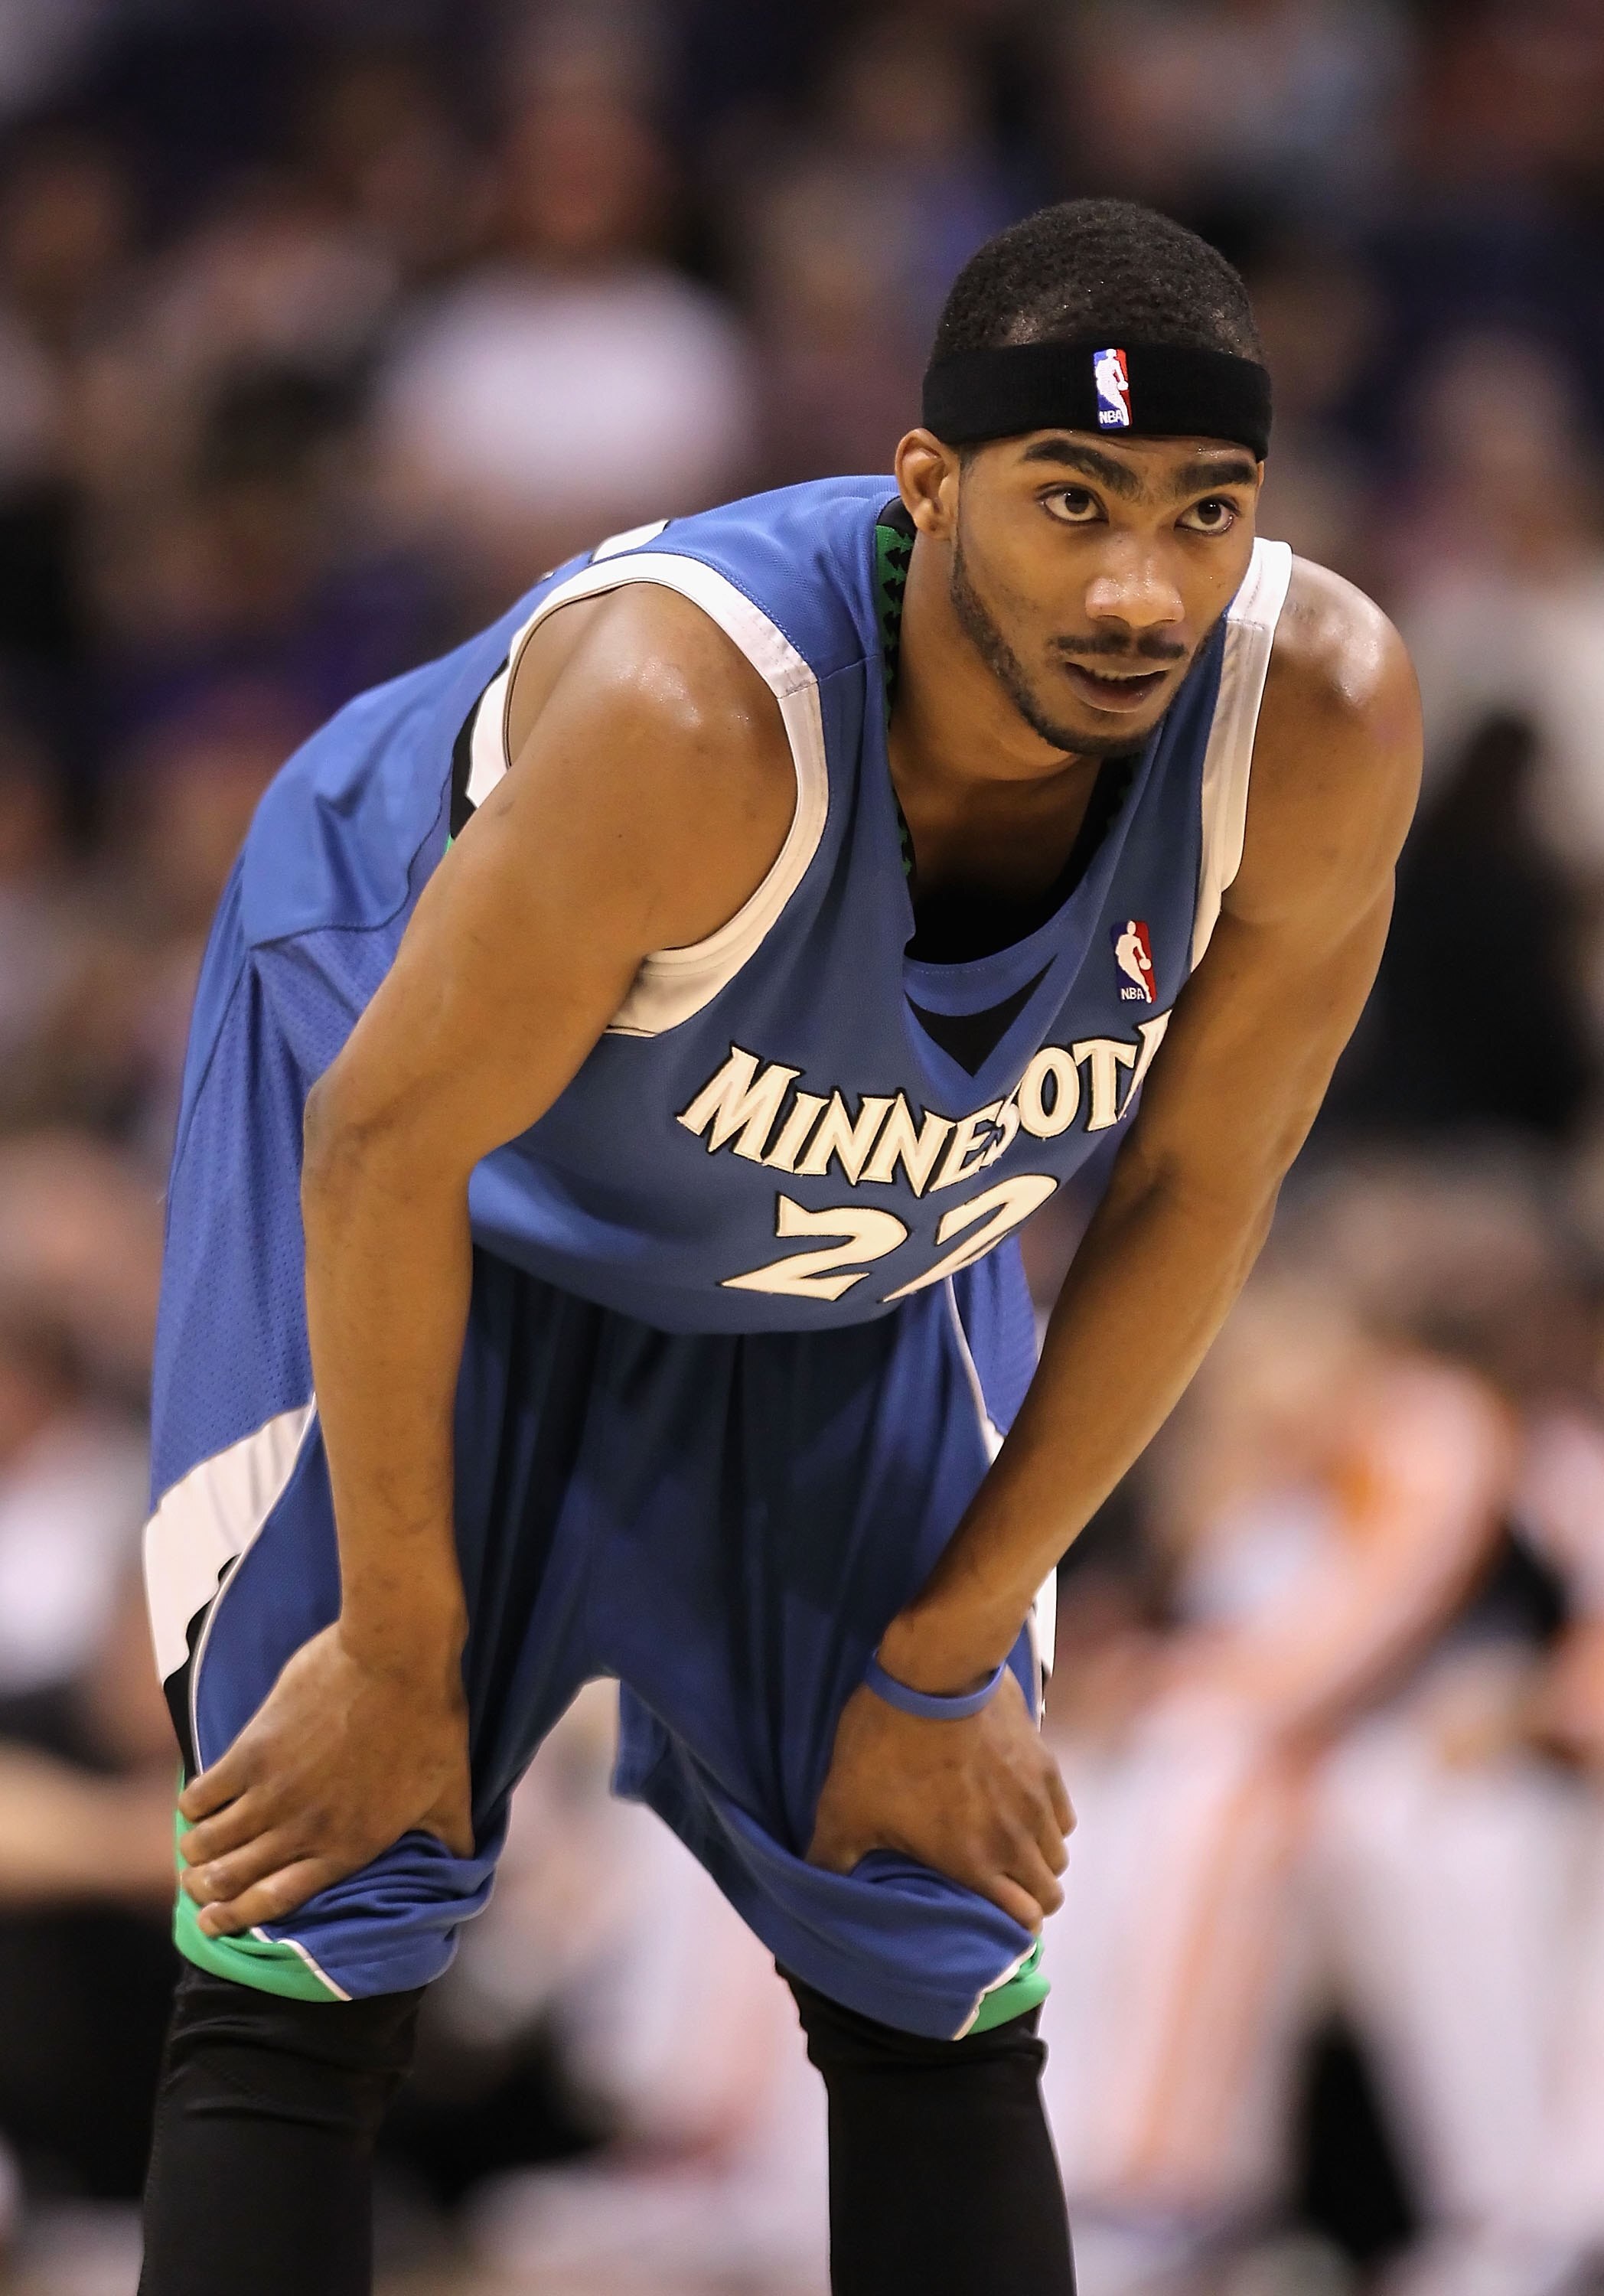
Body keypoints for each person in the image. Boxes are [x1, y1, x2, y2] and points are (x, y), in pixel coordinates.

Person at [137, 197, 1420, 2295]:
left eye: (1203, 513)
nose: (1135, 586)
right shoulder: (692, 714)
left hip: (835, 1238)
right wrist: (391, 1641)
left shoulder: (1322, 719)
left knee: (932, 1910)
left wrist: (946, 1655)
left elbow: (1197, 1188)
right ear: (926, 488)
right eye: (1069, 499)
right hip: (428, 1164)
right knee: (320, 1878)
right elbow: (380, 1145)